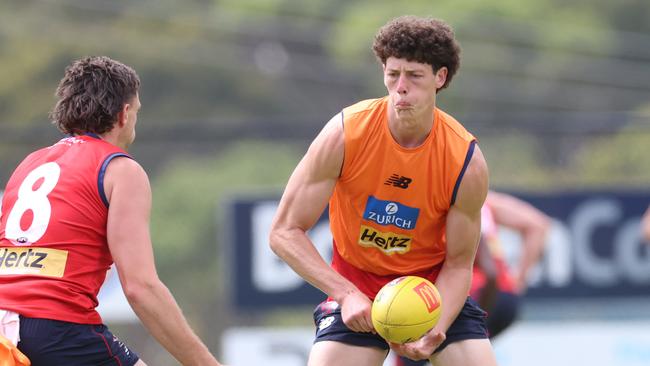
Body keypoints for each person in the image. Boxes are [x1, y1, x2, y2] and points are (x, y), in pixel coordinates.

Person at [270, 16, 496, 366]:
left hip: (430, 289)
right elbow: (283, 232)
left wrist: (437, 327)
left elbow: (458, 264)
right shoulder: (346, 133)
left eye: (414, 76)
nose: (401, 87)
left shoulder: (465, 160)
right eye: (393, 74)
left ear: (440, 77)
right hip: (356, 284)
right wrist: (345, 294)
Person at [0, 56, 222, 366]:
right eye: (137, 111)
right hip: (58, 328)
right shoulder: (121, 170)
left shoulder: (30, 163)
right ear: (124, 113)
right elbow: (140, 288)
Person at [395, 190, 551, 366]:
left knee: (411, 351)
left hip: (475, 295)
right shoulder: (481, 197)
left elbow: (489, 270)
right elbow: (537, 225)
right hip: (505, 296)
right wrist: (519, 280)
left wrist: (475, 317)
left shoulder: (443, 199)